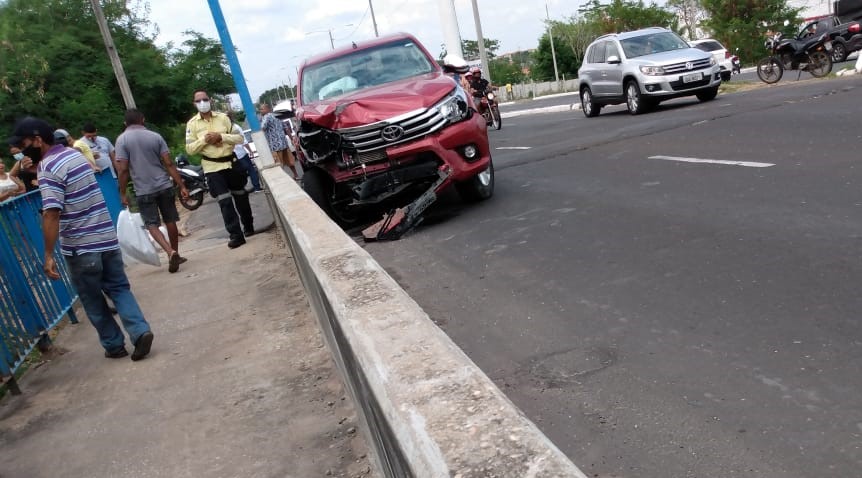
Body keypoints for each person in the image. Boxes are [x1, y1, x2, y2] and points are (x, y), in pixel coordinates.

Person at [9, 116, 154, 361]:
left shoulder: (48, 168)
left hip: (80, 246)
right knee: (119, 288)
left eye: (24, 145)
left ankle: (114, 345)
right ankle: (140, 332)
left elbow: (52, 213)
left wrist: (47, 255)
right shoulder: (74, 155)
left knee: (92, 298)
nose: (22, 151)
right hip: (106, 237)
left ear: (37, 140)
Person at [116, 109, 190, 273]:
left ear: (125, 124)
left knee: (151, 224)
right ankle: (176, 252)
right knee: (170, 220)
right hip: (164, 185)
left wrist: (122, 192)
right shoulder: (155, 136)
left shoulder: (122, 140)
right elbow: (169, 163)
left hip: (143, 189)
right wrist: (182, 185)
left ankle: (170, 252)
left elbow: (122, 170)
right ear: (143, 120)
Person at [185, 89, 254, 248]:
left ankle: (248, 226)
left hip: (231, 163)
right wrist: (205, 139)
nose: (202, 103)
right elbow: (190, 149)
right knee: (224, 201)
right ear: (194, 104)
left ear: (210, 100)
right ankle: (236, 235)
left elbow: (239, 138)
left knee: (241, 196)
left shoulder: (223, 119)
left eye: (205, 99)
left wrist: (221, 137)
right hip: (212, 167)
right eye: (199, 101)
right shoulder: (192, 124)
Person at [259, 102, 298, 180]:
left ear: (268, 109)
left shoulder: (266, 117)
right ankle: (296, 175)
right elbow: (286, 129)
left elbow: (262, 128)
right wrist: (291, 139)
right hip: (284, 143)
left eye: (262, 109)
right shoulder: (278, 116)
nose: (260, 111)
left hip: (275, 146)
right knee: (290, 161)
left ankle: (283, 179)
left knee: (279, 164)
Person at [228, 114, 262, 192]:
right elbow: (244, 141)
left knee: (238, 173)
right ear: (232, 118)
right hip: (241, 154)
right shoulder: (236, 127)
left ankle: (241, 189)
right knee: (251, 170)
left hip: (231, 156)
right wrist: (250, 151)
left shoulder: (223, 129)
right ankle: (257, 187)